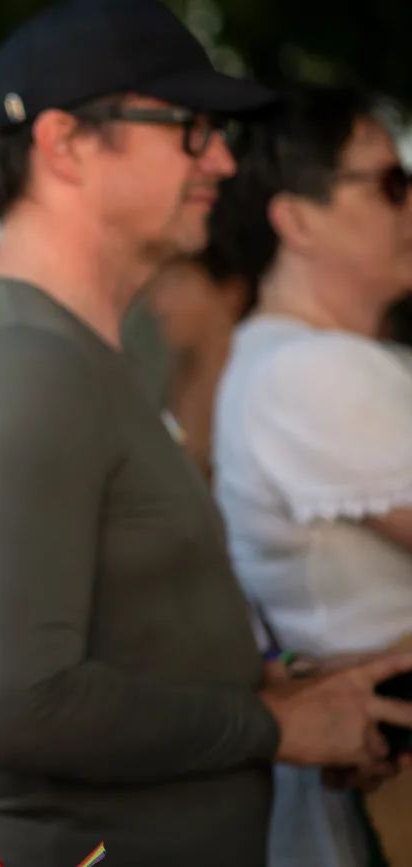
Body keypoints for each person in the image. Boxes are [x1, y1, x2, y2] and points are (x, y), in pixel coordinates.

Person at [0, 1, 412, 865]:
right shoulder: (23, 361)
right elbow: (25, 705)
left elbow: (114, 639)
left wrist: (290, 694)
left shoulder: (60, 345)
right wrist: (273, 723)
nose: (223, 159)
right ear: (66, 143)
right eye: (189, 128)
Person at [211, 84, 412, 867]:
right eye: (391, 181)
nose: (408, 203)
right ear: (296, 219)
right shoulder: (310, 369)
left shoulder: (317, 358)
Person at [144, 250, 253, 479]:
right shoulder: (170, 377)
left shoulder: (251, 386)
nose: (159, 304)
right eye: (159, 285)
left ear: (231, 293)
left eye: (177, 283)